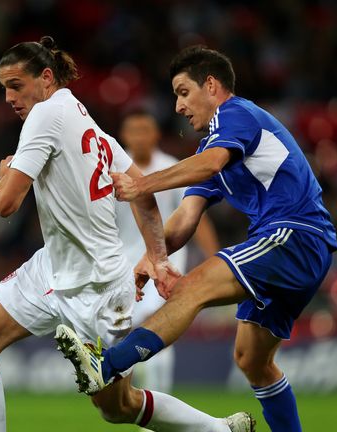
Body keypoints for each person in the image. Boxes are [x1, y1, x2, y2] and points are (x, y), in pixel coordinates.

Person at [0, 37, 253, 432]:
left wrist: (2, 177)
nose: (8, 97)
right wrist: (158, 256)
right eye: (3, 87)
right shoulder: (86, 122)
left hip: (98, 288)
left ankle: (218, 430)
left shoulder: (44, 116)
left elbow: (5, 205)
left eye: (16, 85)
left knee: (118, 407)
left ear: (45, 78)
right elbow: (142, 193)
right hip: (51, 270)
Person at [57, 45, 337, 432]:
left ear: (211, 85)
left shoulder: (236, 114)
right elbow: (185, 218)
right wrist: (152, 258)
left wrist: (140, 186)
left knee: (190, 289)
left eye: (183, 92)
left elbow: (210, 164)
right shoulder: (211, 146)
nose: (178, 107)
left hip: (295, 234)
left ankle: (106, 365)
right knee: (252, 360)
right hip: (296, 247)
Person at [114, 110, 220, 403]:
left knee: (159, 332)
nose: (139, 137)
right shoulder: (112, 171)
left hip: (165, 264)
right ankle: (126, 402)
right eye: (133, 131)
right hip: (125, 266)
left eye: (144, 130)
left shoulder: (170, 168)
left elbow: (194, 214)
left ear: (155, 135)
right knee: (122, 335)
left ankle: (158, 408)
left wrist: (213, 258)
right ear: (124, 137)